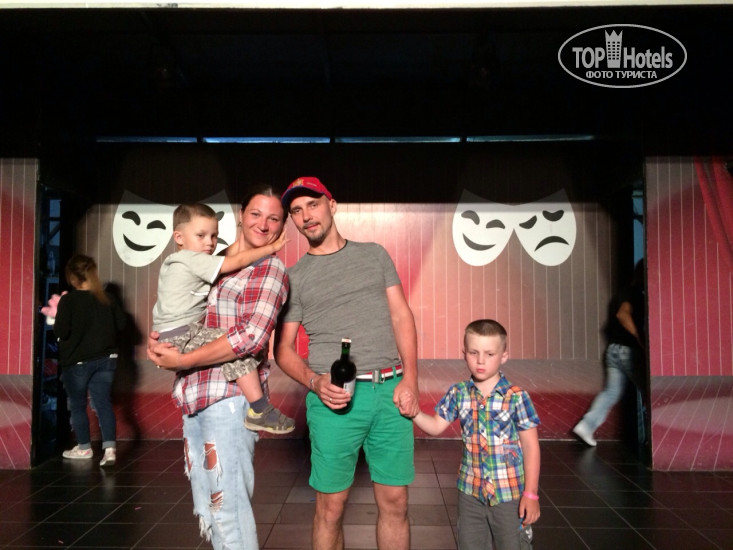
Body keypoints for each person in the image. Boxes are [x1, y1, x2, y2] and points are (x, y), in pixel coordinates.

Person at [274, 176, 420, 550]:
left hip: (390, 392)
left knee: (396, 502)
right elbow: (283, 350)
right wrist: (314, 382)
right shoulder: (294, 278)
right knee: (330, 508)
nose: (306, 216)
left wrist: (411, 380)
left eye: (313, 204)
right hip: (333, 401)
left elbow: (401, 315)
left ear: (332, 205)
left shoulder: (374, 255)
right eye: (296, 211)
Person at [147, 184, 289, 550]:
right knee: (208, 507)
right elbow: (180, 310)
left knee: (228, 508)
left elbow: (251, 337)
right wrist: (161, 345)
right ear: (242, 216)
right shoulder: (208, 259)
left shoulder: (269, 268)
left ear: (282, 226)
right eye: (256, 214)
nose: (263, 224)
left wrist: (182, 358)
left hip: (229, 399)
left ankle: (262, 410)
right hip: (194, 396)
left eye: (274, 218)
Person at [152, 202, 294, 434]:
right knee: (233, 345)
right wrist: (271, 247)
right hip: (186, 351)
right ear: (178, 237)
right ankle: (260, 410)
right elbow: (235, 262)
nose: (209, 242)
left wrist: (163, 346)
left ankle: (259, 409)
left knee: (236, 345)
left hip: (223, 397)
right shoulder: (195, 260)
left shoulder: (178, 262)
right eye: (201, 236)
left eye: (214, 236)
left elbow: (250, 336)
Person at [406, 319, 540, 550]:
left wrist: (531, 494)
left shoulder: (517, 397)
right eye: (473, 352)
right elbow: (436, 426)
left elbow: (531, 447)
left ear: (504, 356)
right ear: (464, 353)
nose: (480, 360)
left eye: (490, 354)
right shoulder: (459, 393)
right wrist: (413, 412)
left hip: (508, 495)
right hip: (470, 493)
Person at [54, 254, 127, 467]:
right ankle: (110, 450)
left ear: (72, 277)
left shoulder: (68, 301)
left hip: (77, 362)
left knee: (78, 405)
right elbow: (122, 325)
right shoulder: (108, 298)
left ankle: (85, 448)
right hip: (107, 360)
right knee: (103, 403)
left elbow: (60, 331)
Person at [573, 260, 646, 447]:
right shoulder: (635, 293)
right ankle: (656, 434)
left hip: (613, 350)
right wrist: (640, 339)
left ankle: (586, 426)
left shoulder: (621, 293)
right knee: (649, 390)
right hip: (628, 351)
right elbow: (623, 314)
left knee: (611, 392)